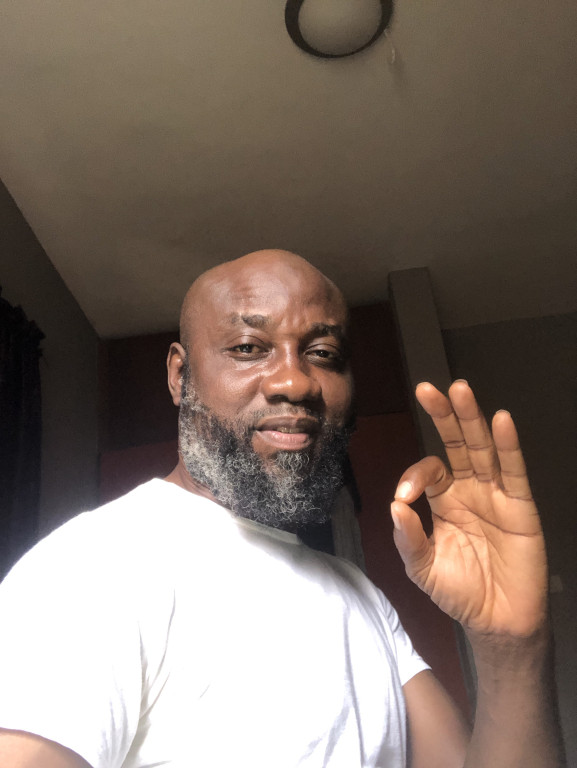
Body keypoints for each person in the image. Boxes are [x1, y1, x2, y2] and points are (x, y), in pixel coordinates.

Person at [0, 249, 564, 767]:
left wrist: (512, 645)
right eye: (249, 348)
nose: (295, 381)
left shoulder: (359, 594)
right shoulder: (95, 566)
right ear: (179, 375)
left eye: (323, 354)